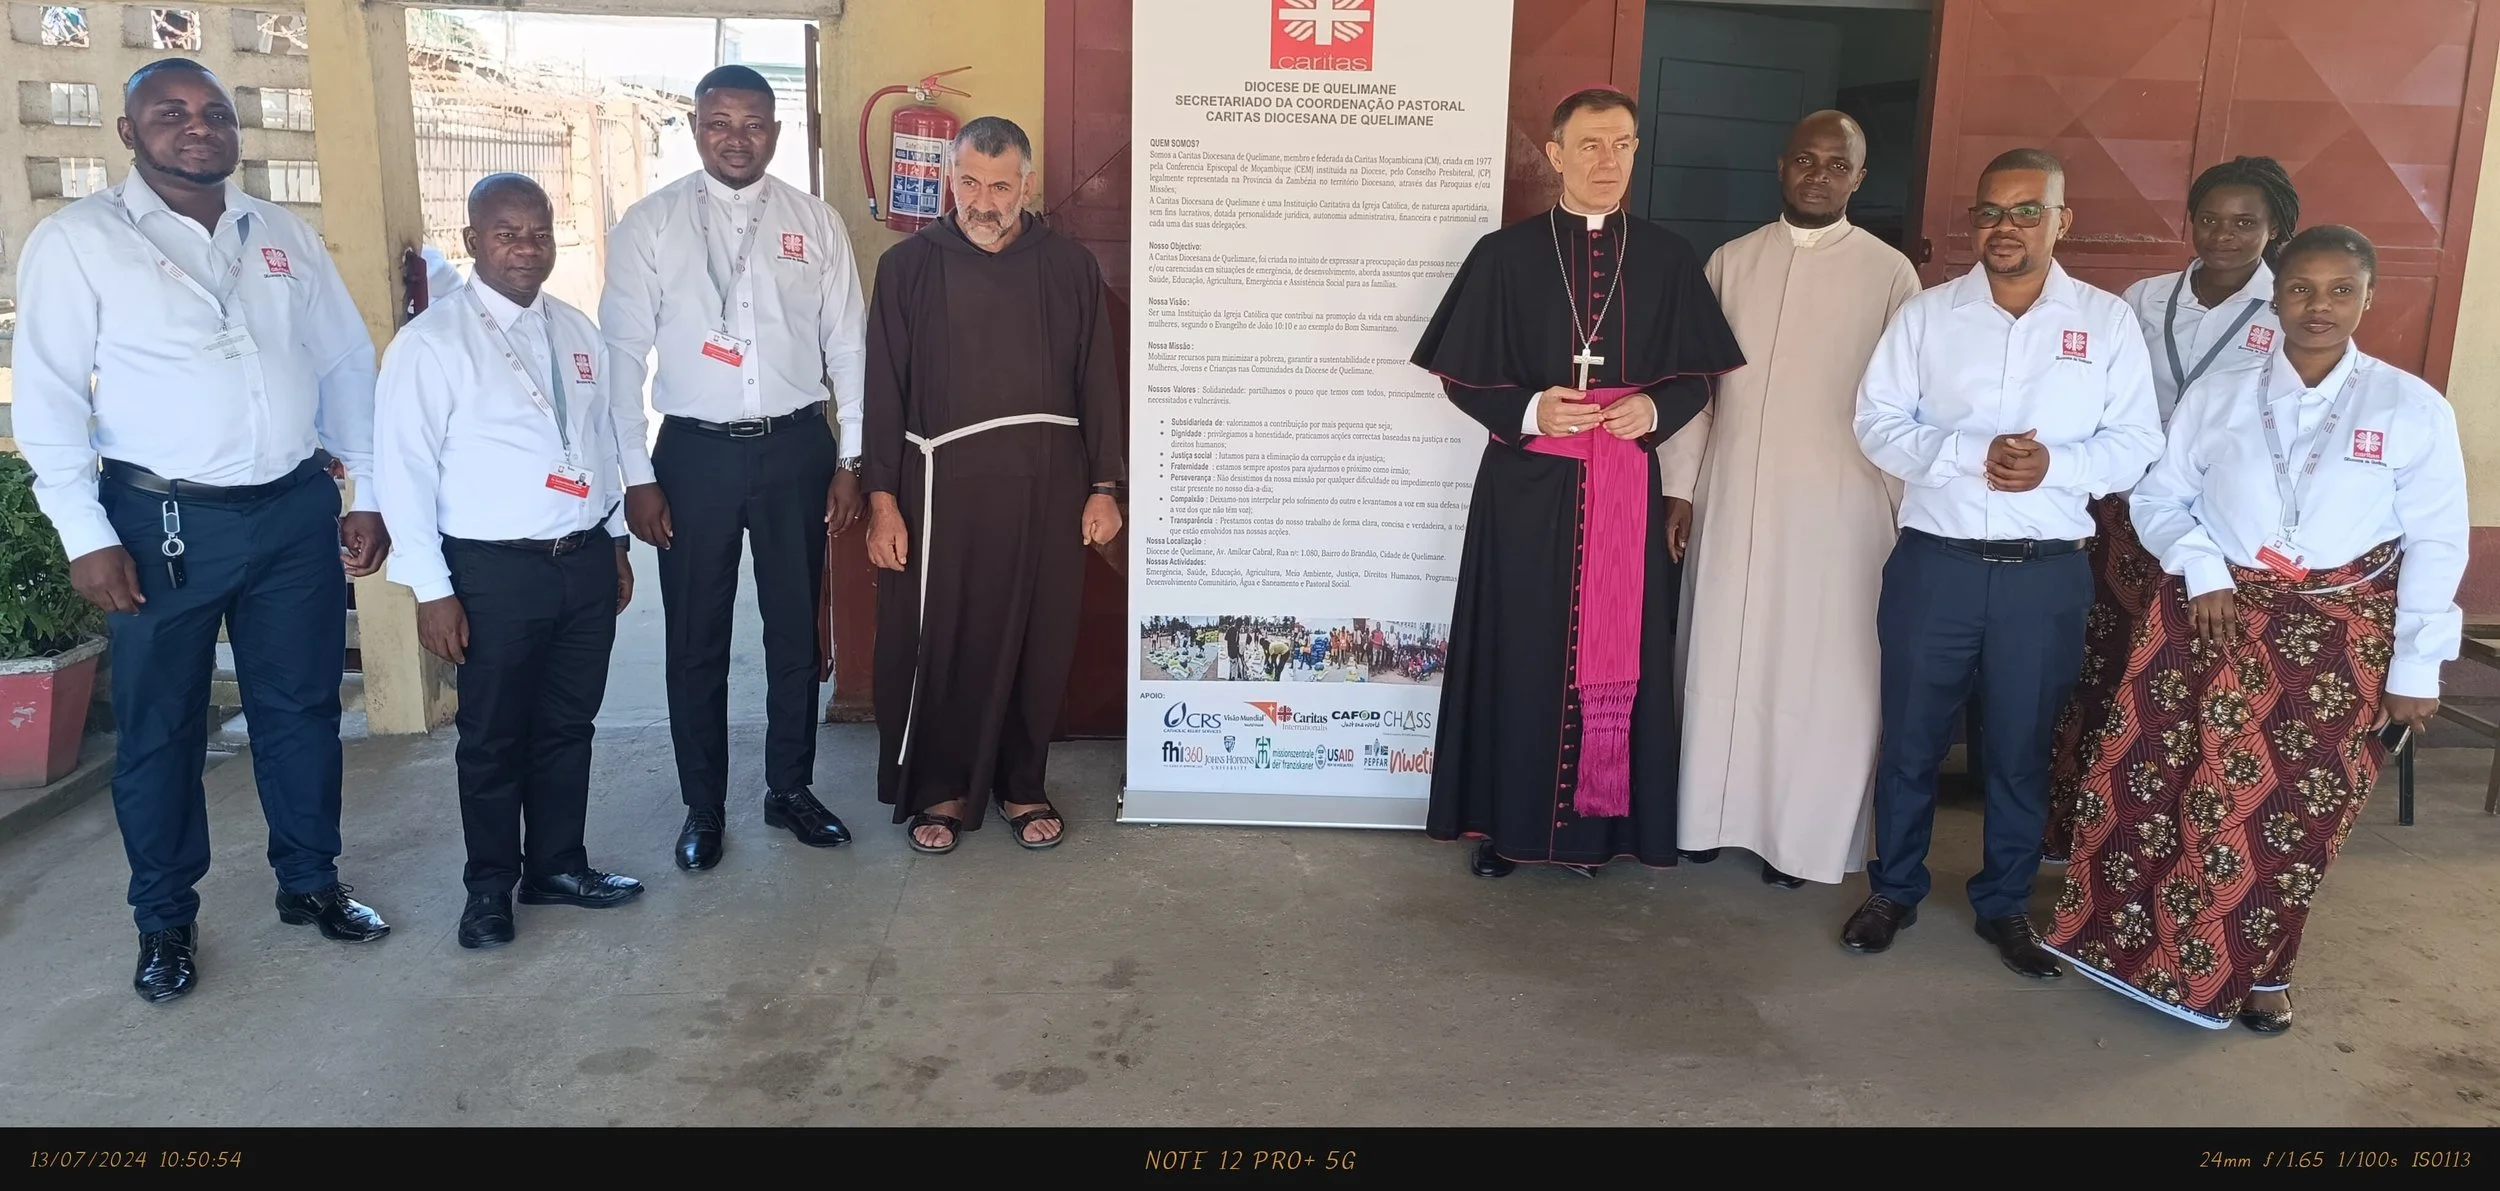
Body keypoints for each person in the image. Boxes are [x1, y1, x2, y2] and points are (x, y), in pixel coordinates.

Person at [11, 58, 393, 1003]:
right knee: (162, 729)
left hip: (293, 510)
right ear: (128, 132)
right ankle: (165, 918)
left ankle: (310, 881)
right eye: (170, 113)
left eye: (214, 112)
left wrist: (368, 487)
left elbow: (344, 360)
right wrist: (83, 532)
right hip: (159, 522)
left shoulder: (282, 234)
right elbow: (51, 396)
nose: (198, 127)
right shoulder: (78, 241)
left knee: (301, 710)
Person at [2044, 226, 2465, 1032]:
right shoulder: (2223, 394)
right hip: (2208, 617)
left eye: (2341, 290)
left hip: (2333, 635)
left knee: (2291, 812)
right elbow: (2161, 500)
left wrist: (2419, 665)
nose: (2319, 306)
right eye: (2302, 288)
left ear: (2369, 298)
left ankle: (2266, 969)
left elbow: (2439, 540)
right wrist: (2201, 566)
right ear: (2276, 295)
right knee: (2158, 788)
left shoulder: (2409, 407)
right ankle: (2127, 946)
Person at [1411, 88, 1744, 878]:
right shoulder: (1504, 255)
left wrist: (1652, 407)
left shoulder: (1665, 256)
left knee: (1620, 655)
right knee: (1518, 652)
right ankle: (1504, 825)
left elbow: (1698, 377)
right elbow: (1461, 378)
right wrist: (1530, 407)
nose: (1608, 161)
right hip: (1525, 491)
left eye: (1623, 144)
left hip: (1624, 487)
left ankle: (1597, 833)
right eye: (1590, 145)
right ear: (1555, 154)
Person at [1847, 148, 2162, 976]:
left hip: (2045, 574)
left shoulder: (2105, 322)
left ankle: (2004, 903)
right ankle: (1896, 888)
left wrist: (2056, 466)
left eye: (2028, 210)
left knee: (2020, 748)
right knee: (1911, 736)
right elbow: (1876, 422)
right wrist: (1966, 452)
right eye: (1991, 211)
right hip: (1936, 564)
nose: (2005, 227)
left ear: (2064, 220)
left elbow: (2137, 444)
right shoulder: (1928, 314)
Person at [600, 65, 867, 872]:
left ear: (776, 132)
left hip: (796, 448)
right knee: (696, 637)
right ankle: (703, 805)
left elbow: (848, 344)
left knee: (793, 629)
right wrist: (634, 478)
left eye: (753, 123)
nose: (737, 138)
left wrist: (851, 455)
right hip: (693, 456)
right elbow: (619, 358)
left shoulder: (813, 222)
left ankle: (789, 788)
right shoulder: (650, 224)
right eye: (720, 123)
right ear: (695, 128)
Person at [375, 174, 646, 952]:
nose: (526, 248)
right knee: (492, 736)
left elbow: (595, 443)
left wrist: (615, 540)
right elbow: (404, 474)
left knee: (568, 724)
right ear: (471, 241)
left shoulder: (575, 329)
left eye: (539, 232)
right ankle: (489, 886)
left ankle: (558, 865)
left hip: (582, 559)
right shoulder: (432, 344)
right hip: (490, 573)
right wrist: (433, 591)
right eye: (506, 233)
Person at [1657, 111, 1923, 890]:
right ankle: (1703, 818)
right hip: (1733, 493)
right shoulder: (1730, 263)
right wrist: (1681, 488)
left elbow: (1908, 405)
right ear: (1781, 167)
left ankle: (1797, 841)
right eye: (1805, 159)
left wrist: (1908, 515)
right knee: (1719, 652)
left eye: (1836, 164)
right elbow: (1695, 391)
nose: (1818, 174)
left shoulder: (1889, 274)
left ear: (1859, 178)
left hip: (1838, 507)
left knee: (1819, 670)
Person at [862, 116, 1124, 855]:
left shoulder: (1069, 268)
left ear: (1027, 185)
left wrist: (1104, 484)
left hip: (1047, 486)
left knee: (1036, 638)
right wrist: (883, 499)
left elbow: (1096, 384)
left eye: (1000, 186)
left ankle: (1020, 781)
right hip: (940, 489)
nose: (984, 200)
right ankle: (940, 786)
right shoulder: (909, 268)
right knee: (946, 638)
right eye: (970, 182)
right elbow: (883, 388)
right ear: (951, 180)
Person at [2044, 158, 2300, 863]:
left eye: (2245, 222)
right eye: (2210, 218)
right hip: (2122, 514)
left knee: (2184, 687)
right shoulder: (2144, 297)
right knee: (2098, 670)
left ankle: (2159, 845)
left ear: (2274, 227)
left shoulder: (2291, 306)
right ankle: (2069, 830)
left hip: (2216, 528)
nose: (2223, 234)